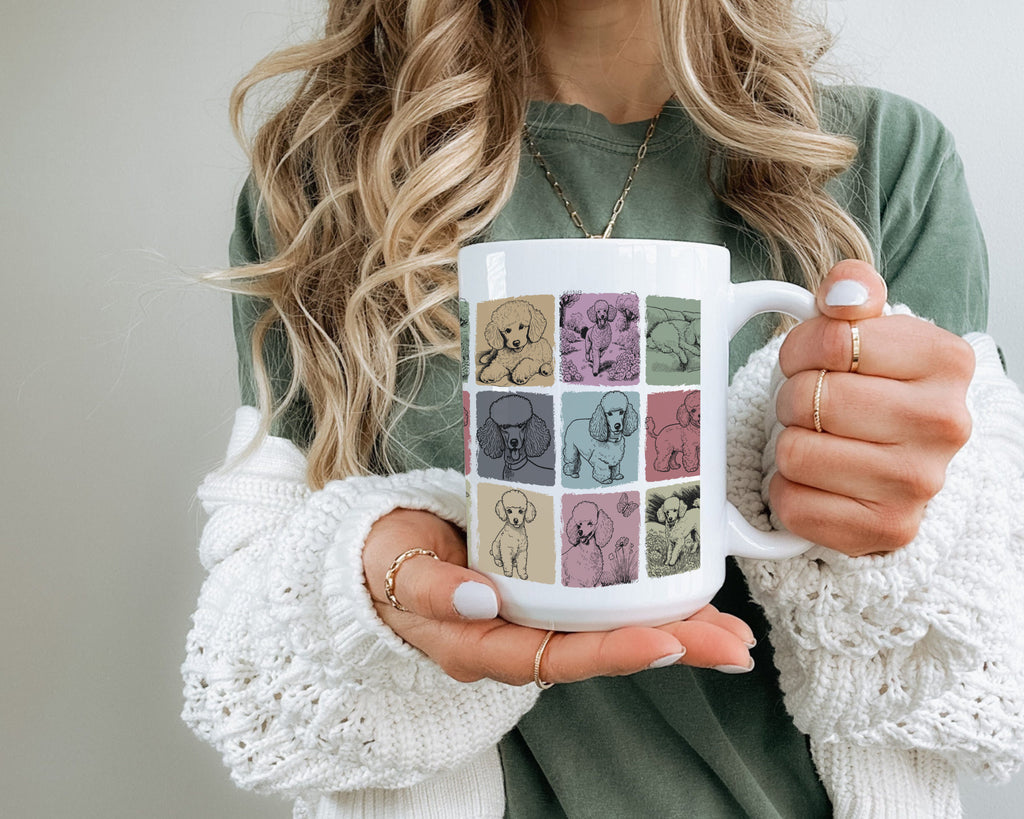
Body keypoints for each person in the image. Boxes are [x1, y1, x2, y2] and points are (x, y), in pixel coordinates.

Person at [181, 0, 1024, 816]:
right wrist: (361, 594)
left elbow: (986, 658)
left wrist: (894, 521)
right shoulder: (321, 181)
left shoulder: (878, 158)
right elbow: (245, 653)